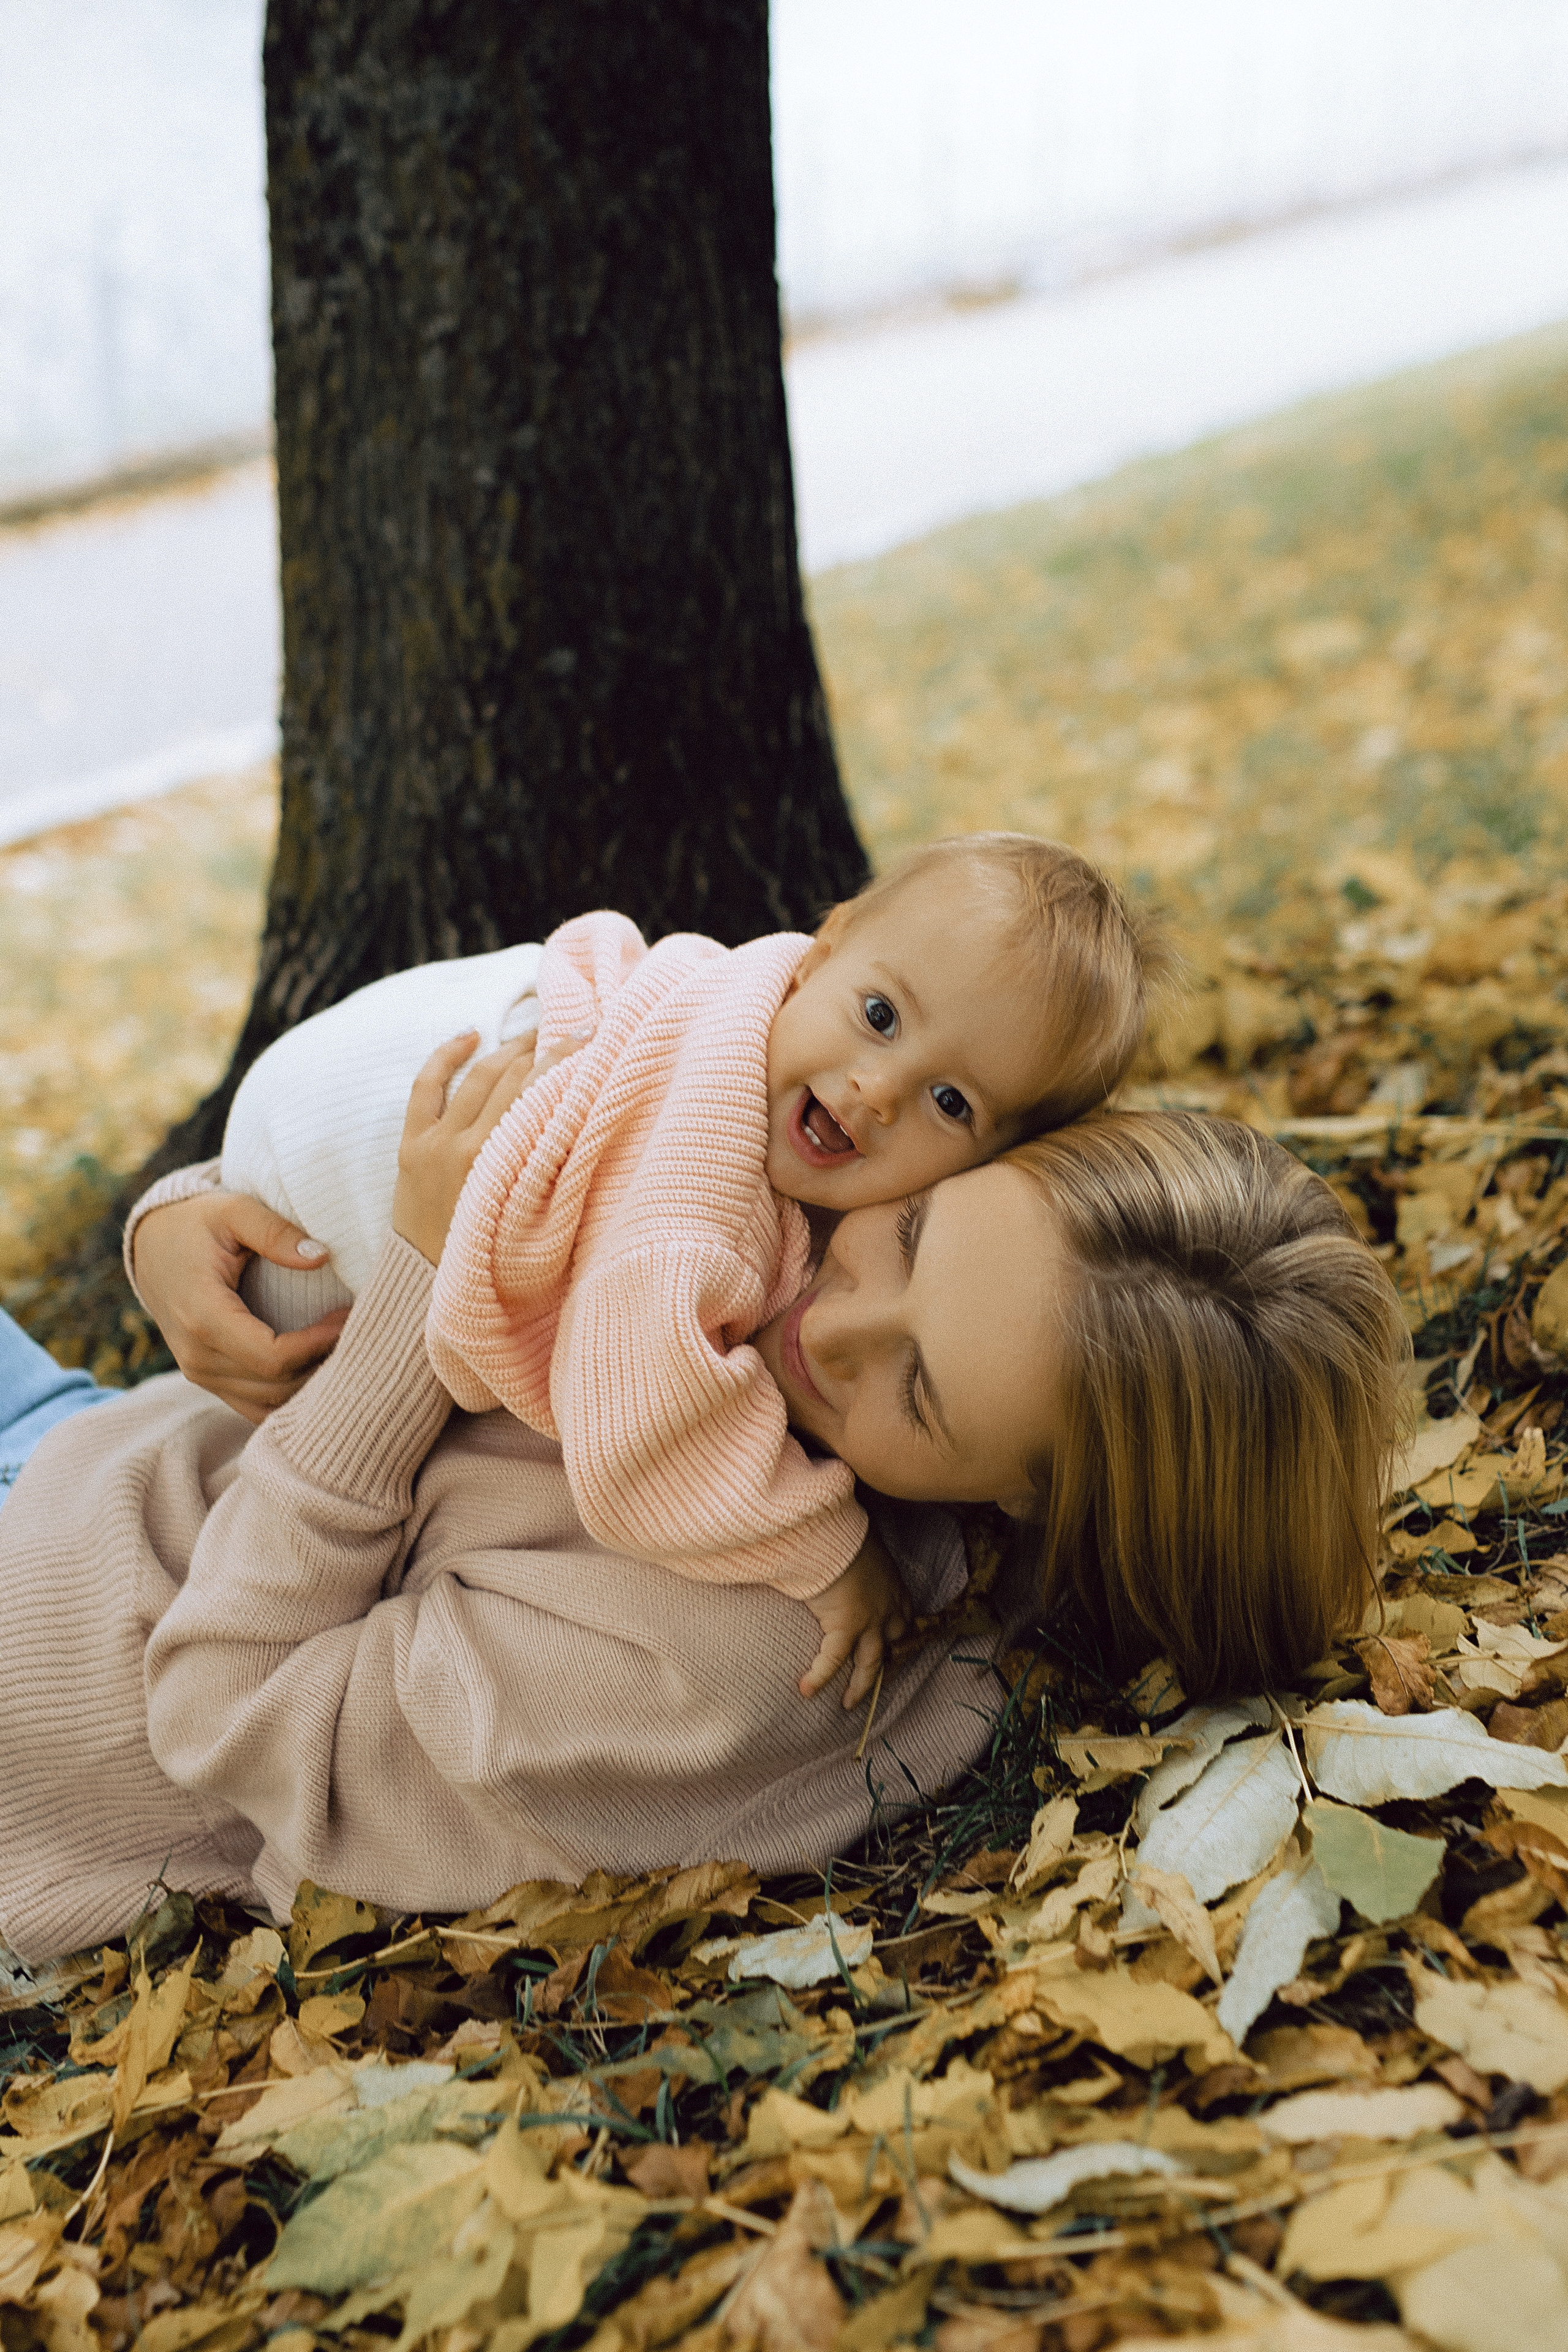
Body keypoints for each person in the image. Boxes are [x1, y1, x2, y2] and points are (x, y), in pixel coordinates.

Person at [0, 1033, 1407, 1966]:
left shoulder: (742, 1648)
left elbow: (226, 1708)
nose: (824, 1325)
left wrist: (424, 1284)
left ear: (1037, 1509)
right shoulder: (784, 1214)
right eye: (908, 1237)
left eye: (918, 1390)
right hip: (85, 1434)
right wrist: (187, 1226)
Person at [211, 834, 1153, 1703]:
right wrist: (825, 1550)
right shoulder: (699, 1213)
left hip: (332, 1093)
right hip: (319, 1202)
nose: (878, 1090)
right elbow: (640, 1432)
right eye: (880, 1016)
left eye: (951, 1101)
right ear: (821, 955)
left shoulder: (745, 1003)